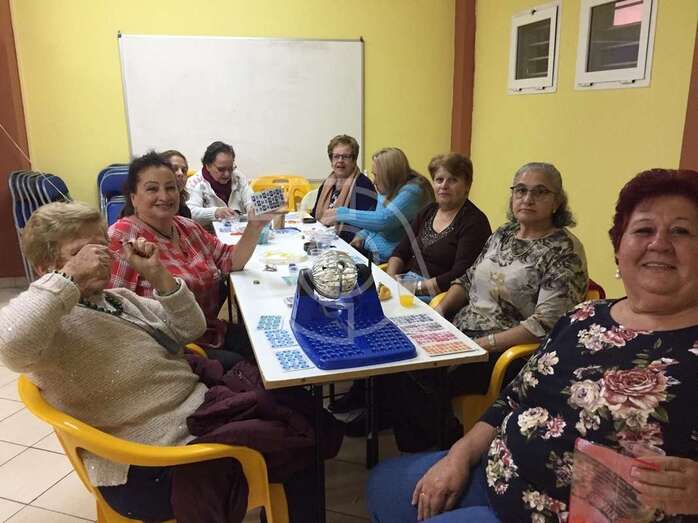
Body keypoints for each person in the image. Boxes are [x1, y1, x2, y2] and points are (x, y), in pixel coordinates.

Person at [367, 168, 698, 522]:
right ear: (619, 247)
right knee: (380, 482)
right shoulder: (584, 316)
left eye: (681, 231)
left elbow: (539, 323)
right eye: (643, 230)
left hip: (556, 508)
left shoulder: (563, 251)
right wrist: (460, 455)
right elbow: (513, 397)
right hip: (497, 464)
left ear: (557, 201)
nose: (659, 244)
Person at [0, 201, 341, 522]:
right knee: (301, 445)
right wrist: (69, 278)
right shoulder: (51, 326)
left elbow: (190, 328)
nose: (98, 259)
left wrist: (158, 274)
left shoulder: (117, 300)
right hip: (149, 463)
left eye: (101, 246)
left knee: (300, 410)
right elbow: (9, 341)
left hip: (195, 414)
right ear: (46, 268)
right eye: (80, 253)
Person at [385, 162, 588, 452]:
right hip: (463, 330)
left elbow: (545, 324)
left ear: (557, 201)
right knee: (400, 355)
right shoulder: (504, 234)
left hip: (509, 348)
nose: (528, 198)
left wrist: (481, 345)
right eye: (520, 190)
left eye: (540, 192)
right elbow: (467, 279)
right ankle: (424, 444)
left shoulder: (563, 250)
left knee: (425, 372)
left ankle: (445, 450)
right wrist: (440, 312)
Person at [109, 152, 267, 364]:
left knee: (263, 342)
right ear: (133, 198)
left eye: (171, 187)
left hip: (209, 332)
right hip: (169, 349)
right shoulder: (122, 237)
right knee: (245, 365)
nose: (165, 196)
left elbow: (231, 260)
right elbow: (113, 310)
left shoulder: (188, 227)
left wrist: (255, 226)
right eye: (152, 189)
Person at [387, 153, 491, 301]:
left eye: (453, 180)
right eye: (439, 180)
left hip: (439, 296)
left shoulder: (474, 222)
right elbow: (400, 251)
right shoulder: (428, 211)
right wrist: (390, 280)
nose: (444, 186)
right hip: (407, 285)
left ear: (467, 186)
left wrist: (415, 287)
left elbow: (461, 274)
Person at [324, 147, 435, 263]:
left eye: (376, 175)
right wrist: (362, 234)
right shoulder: (389, 186)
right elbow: (375, 218)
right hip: (370, 252)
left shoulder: (413, 191)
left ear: (389, 175)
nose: (374, 181)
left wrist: (340, 213)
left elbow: (384, 220)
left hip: (389, 261)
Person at [311, 134, 377, 242]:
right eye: (336, 156)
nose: (340, 160)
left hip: (347, 243)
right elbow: (314, 215)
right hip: (322, 239)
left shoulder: (363, 185)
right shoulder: (327, 183)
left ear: (354, 160)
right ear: (331, 160)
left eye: (345, 156)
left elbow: (364, 226)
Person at [185, 141, 254, 228]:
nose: (227, 174)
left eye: (230, 168)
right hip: (209, 232)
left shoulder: (238, 177)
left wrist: (254, 209)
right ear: (208, 166)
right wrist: (216, 212)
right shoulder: (195, 182)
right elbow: (190, 212)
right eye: (221, 169)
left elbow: (250, 201)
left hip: (239, 229)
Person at [161, 149, 191, 218]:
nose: (180, 173)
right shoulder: (152, 208)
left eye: (184, 170)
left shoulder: (185, 210)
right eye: (174, 169)